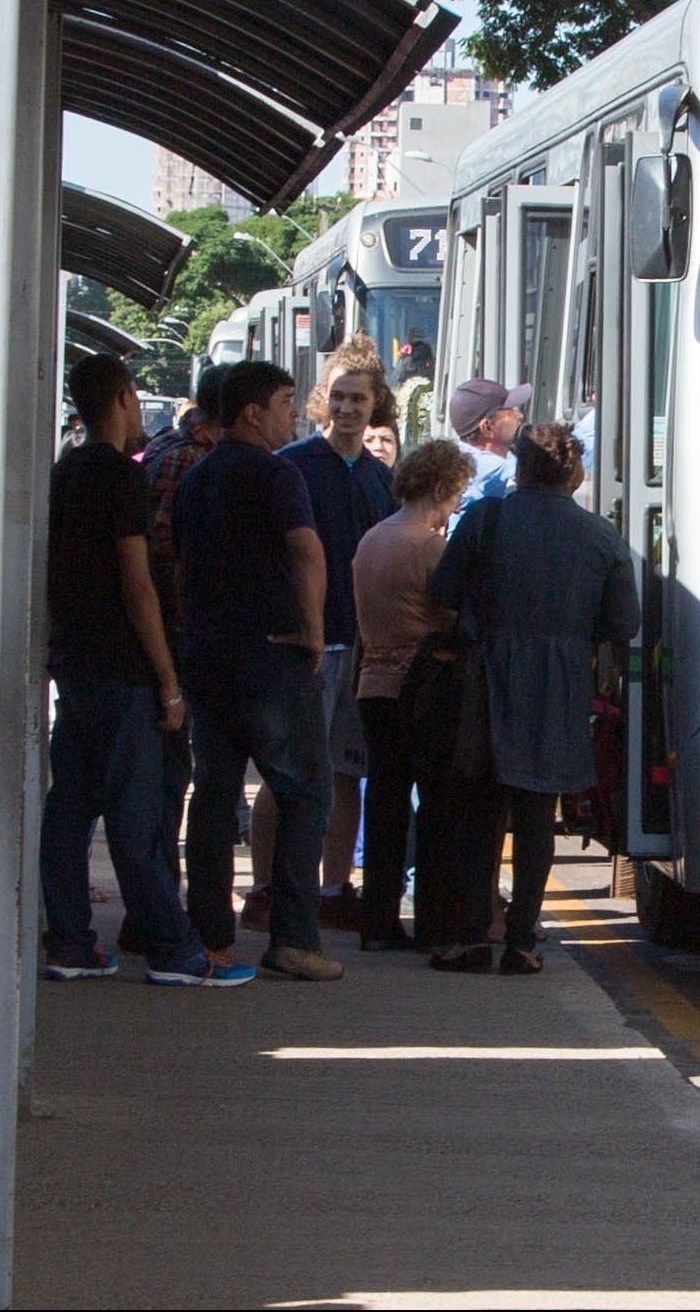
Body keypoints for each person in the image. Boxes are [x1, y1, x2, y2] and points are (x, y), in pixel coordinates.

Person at [40, 354, 254, 988]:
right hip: (122, 665)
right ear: (125, 398)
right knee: (137, 815)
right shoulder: (121, 477)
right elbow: (137, 583)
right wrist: (167, 677)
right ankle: (173, 948)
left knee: (70, 808)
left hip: (74, 662)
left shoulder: (63, 472)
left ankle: (70, 941)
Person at [428, 423, 640, 975]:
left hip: (487, 679)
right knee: (537, 814)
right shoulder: (600, 535)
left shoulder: (486, 518)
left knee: (479, 813)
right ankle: (522, 941)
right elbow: (624, 622)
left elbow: (443, 590)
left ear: (520, 468)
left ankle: (473, 937)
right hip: (560, 685)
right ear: (574, 473)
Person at [174, 360, 343, 983]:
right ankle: (294, 939)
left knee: (214, 797)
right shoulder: (278, 474)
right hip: (272, 658)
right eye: (285, 401)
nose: (293, 413)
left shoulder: (196, 477)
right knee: (306, 792)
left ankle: (210, 939)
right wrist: (314, 631)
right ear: (253, 412)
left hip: (209, 657)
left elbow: (181, 567)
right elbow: (306, 551)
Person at [268, 356, 396, 932]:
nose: (347, 408)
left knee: (347, 772)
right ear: (323, 398)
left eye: (358, 399)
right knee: (290, 771)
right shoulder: (291, 466)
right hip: (307, 646)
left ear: (375, 406)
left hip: (362, 647)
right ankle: (268, 889)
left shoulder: (380, 478)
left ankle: (334, 887)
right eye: (338, 396)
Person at [352, 439, 474, 950]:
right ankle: (433, 923)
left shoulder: (372, 539)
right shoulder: (428, 547)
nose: (455, 505)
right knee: (436, 806)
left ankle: (377, 923)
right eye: (456, 493)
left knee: (385, 803)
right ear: (441, 488)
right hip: (422, 690)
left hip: (372, 685)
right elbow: (450, 615)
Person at [133, 361, 228, 903]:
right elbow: (164, 555)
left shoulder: (170, 447)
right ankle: (158, 905)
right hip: (174, 636)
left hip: (168, 635)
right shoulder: (190, 461)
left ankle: (158, 900)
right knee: (171, 776)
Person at [449, 378, 530, 522]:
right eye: (510, 411)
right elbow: (543, 470)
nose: (519, 416)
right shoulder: (481, 465)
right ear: (487, 427)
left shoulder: (458, 453)